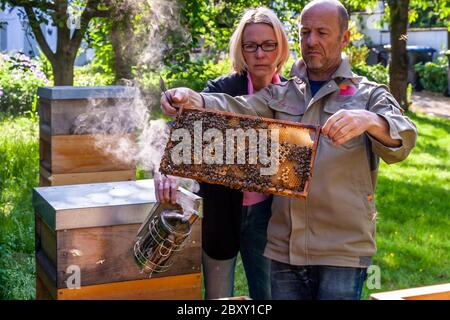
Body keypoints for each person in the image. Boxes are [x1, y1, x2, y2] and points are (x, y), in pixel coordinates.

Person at [160, 0, 418, 300]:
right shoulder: (281, 94)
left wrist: (370, 120)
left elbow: (404, 140)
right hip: (285, 252)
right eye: (305, 32)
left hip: (341, 253)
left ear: (345, 38)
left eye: (322, 32)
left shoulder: (369, 94)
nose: (311, 41)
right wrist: (195, 99)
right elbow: (236, 107)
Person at [155, 7, 290, 300]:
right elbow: (183, 129)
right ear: (241, 49)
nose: (260, 53)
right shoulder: (222, 88)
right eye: (251, 45)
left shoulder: (293, 95)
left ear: (280, 47)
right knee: (218, 298)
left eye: (269, 44)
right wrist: (164, 168)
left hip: (270, 215)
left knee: (267, 294)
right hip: (221, 209)